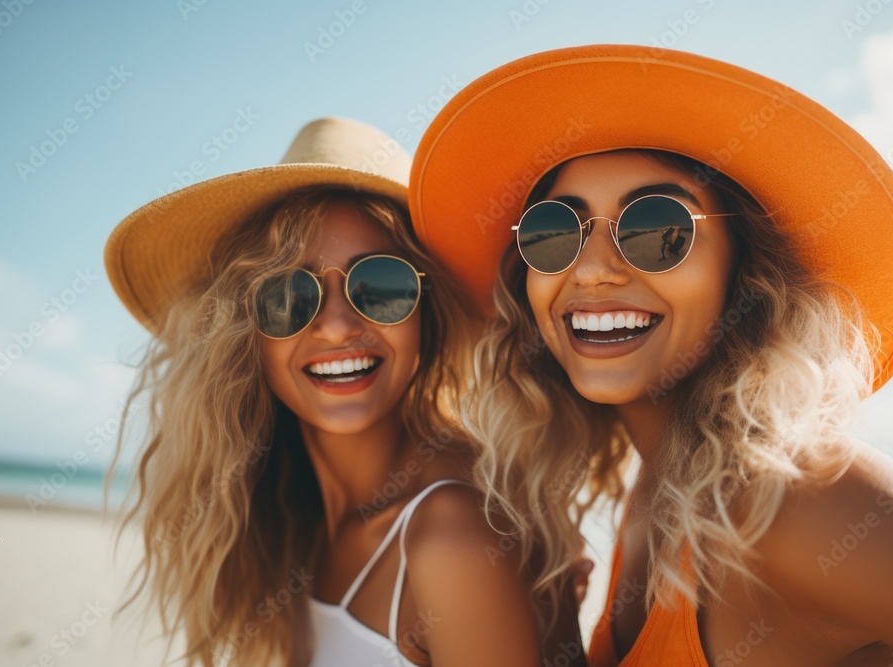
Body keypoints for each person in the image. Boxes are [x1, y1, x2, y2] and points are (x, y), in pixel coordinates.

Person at [409, 45, 893, 666]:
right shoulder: (654, 489)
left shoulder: (790, 501)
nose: (591, 270)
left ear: (744, 271)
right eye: (555, 232)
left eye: (656, 228)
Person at [104, 117, 556, 666]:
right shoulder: (291, 519)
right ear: (245, 335)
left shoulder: (450, 538)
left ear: (426, 314)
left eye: (381, 284)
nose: (338, 326)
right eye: (289, 294)